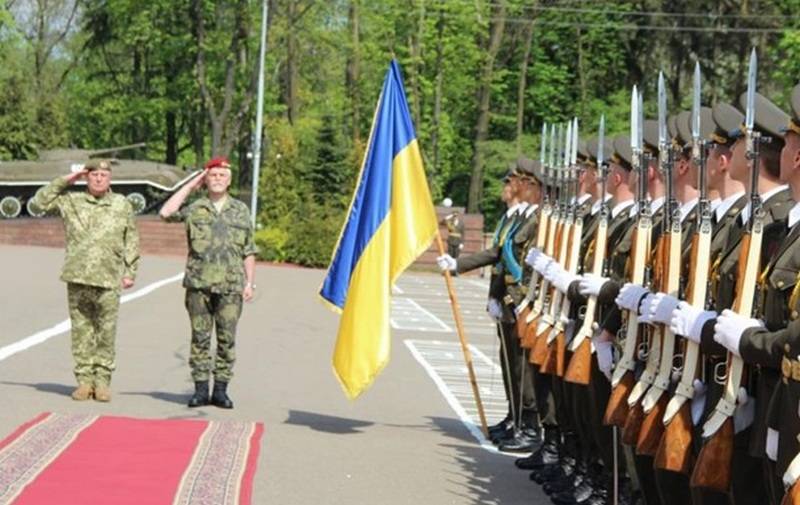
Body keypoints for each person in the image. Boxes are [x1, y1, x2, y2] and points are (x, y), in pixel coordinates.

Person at [31, 159, 140, 402]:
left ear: (110, 178)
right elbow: (38, 203)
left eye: (103, 174)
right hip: (78, 276)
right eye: (94, 175)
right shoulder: (71, 201)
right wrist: (67, 180)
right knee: (81, 332)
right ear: (86, 178)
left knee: (106, 332)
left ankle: (102, 382)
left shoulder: (121, 204)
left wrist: (130, 271)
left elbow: (131, 237)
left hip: (109, 277)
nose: (99, 179)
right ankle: (83, 381)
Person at [159, 156, 257, 409]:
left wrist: (250, 283)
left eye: (222, 175)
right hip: (199, 285)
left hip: (230, 286)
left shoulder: (240, 210)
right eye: (213, 175)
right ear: (206, 178)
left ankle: (221, 390)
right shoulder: (195, 208)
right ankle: (201, 390)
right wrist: (192, 184)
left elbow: (248, 249)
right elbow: (166, 212)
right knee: (200, 338)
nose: (217, 179)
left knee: (227, 339)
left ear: (230, 180)